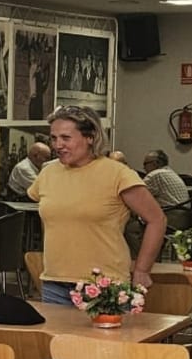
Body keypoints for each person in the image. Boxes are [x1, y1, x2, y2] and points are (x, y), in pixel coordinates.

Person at [29, 106, 165, 304]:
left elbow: (157, 220)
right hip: (55, 284)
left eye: (66, 138)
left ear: (90, 137)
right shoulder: (48, 173)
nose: (58, 145)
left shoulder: (117, 173)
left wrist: (142, 270)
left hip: (105, 285)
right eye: (54, 138)